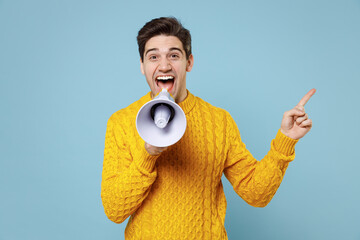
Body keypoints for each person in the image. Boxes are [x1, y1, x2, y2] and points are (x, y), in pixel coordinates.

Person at [101, 17, 316, 239]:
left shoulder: (219, 121)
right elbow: (114, 210)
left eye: (174, 55)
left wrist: (285, 140)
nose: (164, 65)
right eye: (153, 57)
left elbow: (257, 194)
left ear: (189, 62)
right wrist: (147, 155)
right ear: (142, 66)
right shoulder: (121, 122)